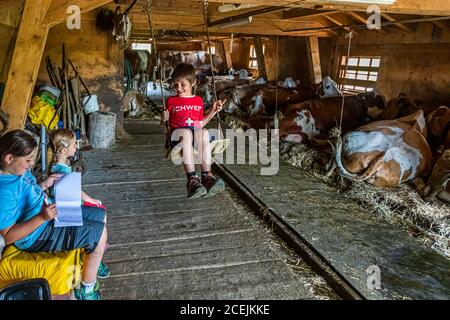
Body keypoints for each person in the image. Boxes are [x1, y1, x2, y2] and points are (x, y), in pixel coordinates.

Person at [0, 130, 108, 300]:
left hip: (47, 214)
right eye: (27, 160)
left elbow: (29, 191)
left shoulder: (17, 172)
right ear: (9, 158)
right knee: (99, 234)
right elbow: (8, 236)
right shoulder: (4, 191)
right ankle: (86, 289)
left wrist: (44, 184)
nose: (31, 164)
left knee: (100, 214)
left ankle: (93, 257)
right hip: (35, 235)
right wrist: (42, 217)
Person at [163, 62, 226, 199]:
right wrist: (164, 118)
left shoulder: (198, 101)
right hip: (177, 136)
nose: (178, 88)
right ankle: (192, 180)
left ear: (193, 83)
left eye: (183, 84)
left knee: (203, 132)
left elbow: (200, 123)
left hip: (194, 134)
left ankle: (206, 176)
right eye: (176, 84)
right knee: (186, 133)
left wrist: (213, 111)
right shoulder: (171, 101)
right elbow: (165, 123)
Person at [48, 128, 102, 206]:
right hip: (62, 204)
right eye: (74, 145)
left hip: (61, 199)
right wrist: (91, 200)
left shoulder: (56, 163)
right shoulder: (62, 170)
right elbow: (75, 190)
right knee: (99, 209)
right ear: (63, 151)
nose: (76, 146)